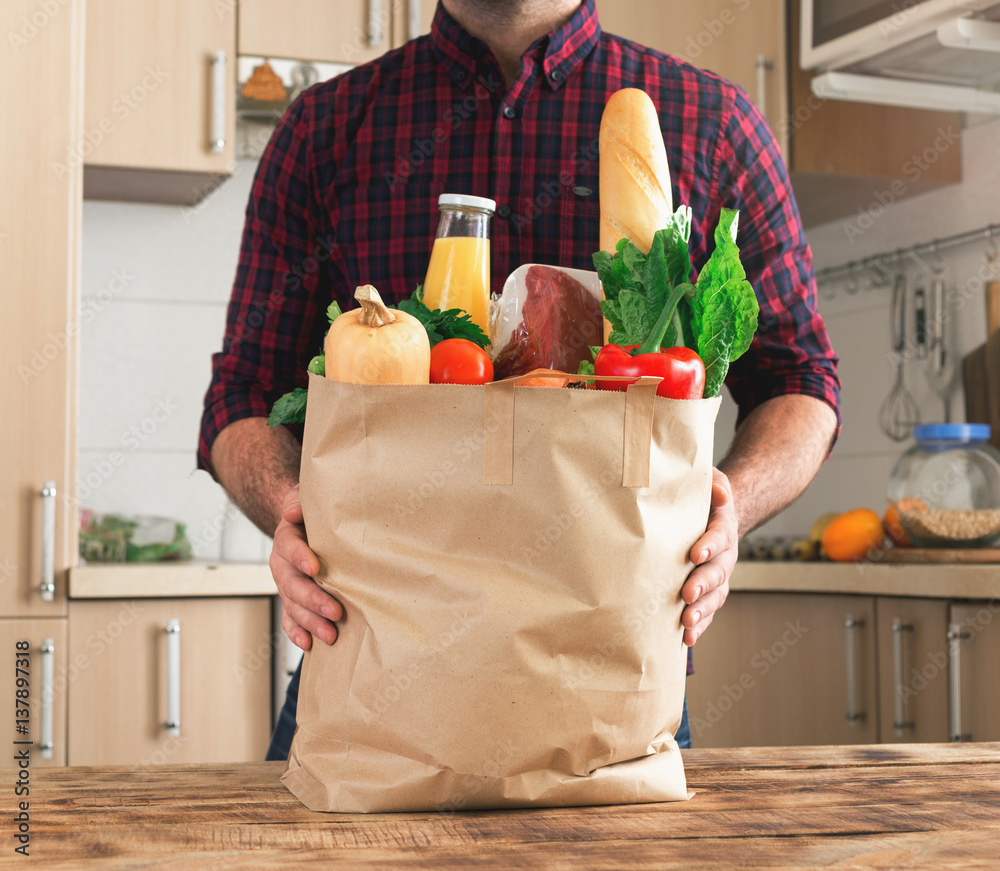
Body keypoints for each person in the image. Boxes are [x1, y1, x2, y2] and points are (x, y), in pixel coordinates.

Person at [199, 0, 840, 760]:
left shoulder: (713, 120)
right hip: (375, 684)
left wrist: (724, 512)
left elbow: (800, 380)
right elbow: (241, 395)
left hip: (613, 695)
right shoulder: (325, 127)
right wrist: (291, 510)